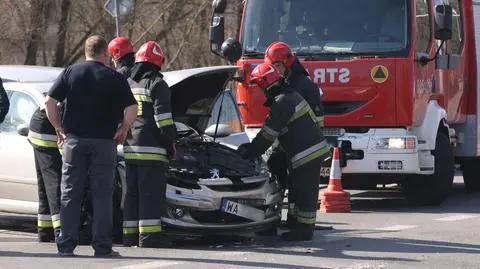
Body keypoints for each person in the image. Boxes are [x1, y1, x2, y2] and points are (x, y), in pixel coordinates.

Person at [44, 35, 138, 257]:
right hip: (105, 143)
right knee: (102, 195)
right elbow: (132, 107)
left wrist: (59, 128)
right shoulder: (114, 77)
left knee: (70, 193)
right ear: (105, 53)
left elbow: (49, 102)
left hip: (74, 141)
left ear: (86, 52)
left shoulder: (70, 72)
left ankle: (66, 245)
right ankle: (102, 247)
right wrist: (124, 128)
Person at [237, 63, 329, 241]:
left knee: (304, 192)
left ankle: (304, 230)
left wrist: (250, 150)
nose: (260, 90)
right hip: (305, 152)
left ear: (265, 83)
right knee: (298, 190)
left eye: (259, 85)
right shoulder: (286, 96)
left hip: (307, 154)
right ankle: (295, 224)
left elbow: (268, 135)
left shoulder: (282, 101)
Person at [264, 41, 325, 229]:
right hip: (286, 146)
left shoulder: (305, 85)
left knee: (301, 189)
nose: (274, 70)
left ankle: (302, 228)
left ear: (287, 62)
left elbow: (316, 123)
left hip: (301, 147)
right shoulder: (285, 83)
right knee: (282, 183)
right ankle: (284, 222)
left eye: (276, 66)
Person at [122, 41, 177, 248]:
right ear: (158, 63)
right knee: (150, 194)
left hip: (130, 148)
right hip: (152, 150)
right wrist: (171, 143)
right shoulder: (157, 84)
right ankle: (149, 237)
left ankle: (129, 236)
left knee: (131, 193)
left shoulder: (129, 83)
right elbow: (164, 121)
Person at [27, 105, 62, 243]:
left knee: (45, 186)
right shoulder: (74, 86)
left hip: (44, 126)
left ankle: (45, 232)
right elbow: (50, 104)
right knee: (54, 183)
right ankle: (60, 232)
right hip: (45, 130)